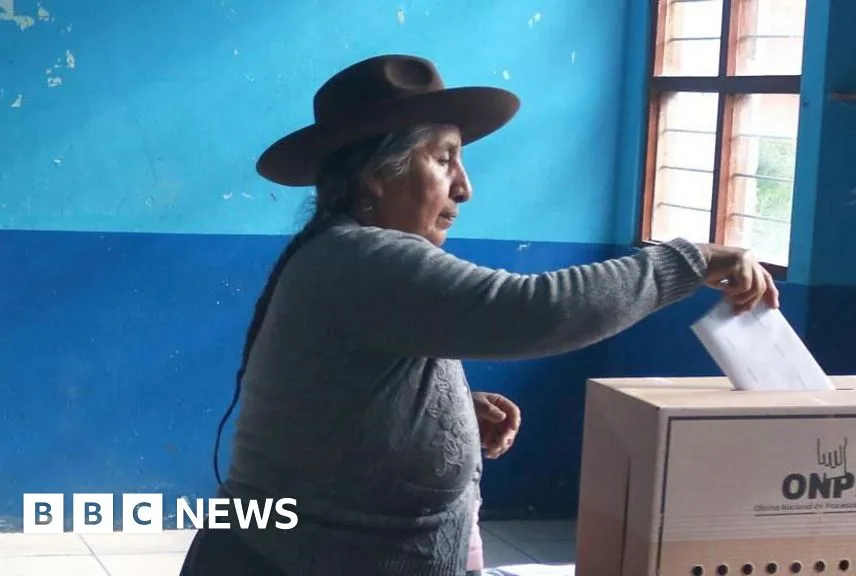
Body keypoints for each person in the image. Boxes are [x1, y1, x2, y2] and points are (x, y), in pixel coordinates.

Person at [179, 54, 778, 576]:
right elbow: (533, 310)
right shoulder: (361, 258)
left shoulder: (351, 257)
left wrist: (444, 414)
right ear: (376, 176)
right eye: (444, 160)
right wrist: (685, 261)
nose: (464, 188)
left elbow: (337, 396)